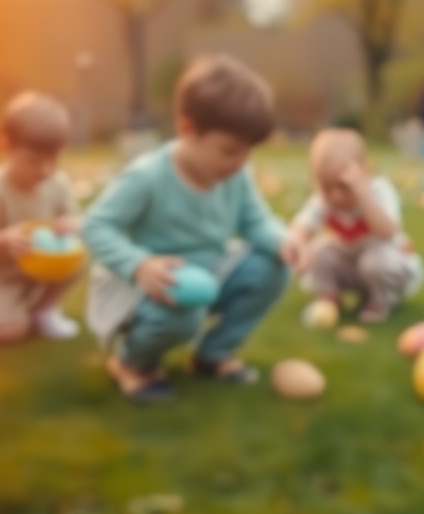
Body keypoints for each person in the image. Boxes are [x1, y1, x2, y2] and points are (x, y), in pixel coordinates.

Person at [83, 56, 293, 404]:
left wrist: (284, 241)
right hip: (144, 283)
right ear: (186, 129)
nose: (240, 163)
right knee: (185, 308)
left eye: (247, 153)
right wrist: (138, 264)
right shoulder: (148, 177)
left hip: (209, 271)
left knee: (273, 267)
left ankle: (211, 355)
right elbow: (96, 224)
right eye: (229, 150)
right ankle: (132, 364)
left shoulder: (234, 175)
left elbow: (255, 221)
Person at [0, 92, 83, 343]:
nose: (45, 170)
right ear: (5, 147)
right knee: (12, 332)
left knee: (77, 258)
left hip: (34, 271)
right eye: (34, 161)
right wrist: (4, 240)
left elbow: (77, 220)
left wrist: (71, 226)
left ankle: (41, 311)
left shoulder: (58, 184)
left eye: (53, 161)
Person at [283, 129, 424, 323]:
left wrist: (363, 194)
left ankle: (381, 299)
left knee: (376, 261)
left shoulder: (379, 191)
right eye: (326, 187)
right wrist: (298, 247)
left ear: (365, 172)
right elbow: (301, 226)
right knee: (319, 251)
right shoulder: (324, 200)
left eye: (343, 186)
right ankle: (330, 297)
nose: (335, 196)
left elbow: (387, 232)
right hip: (352, 267)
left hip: (387, 267)